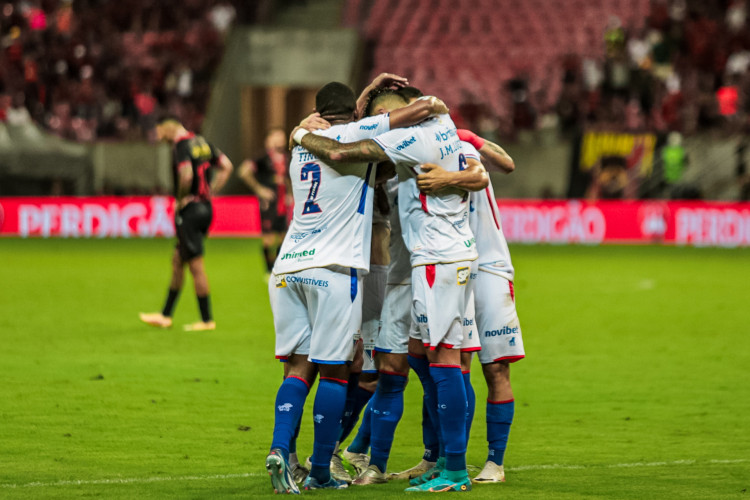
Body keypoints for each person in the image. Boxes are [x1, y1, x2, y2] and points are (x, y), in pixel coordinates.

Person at [292, 95, 487, 493]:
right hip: (429, 261)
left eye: (388, 115)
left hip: (435, 258)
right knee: (406, 366)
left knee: (444, 361)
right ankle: (400, 460)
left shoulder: (407, 141)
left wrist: (298, 133)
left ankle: (452, 467)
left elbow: (344, 150)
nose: (384, 121)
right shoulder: (440, 125)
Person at [265, 82, 450, 494]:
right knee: (335, 371)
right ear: (355, 115)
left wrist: (298, 130)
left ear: (318, 112)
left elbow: (335, 138)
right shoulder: (354, 137)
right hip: (333, 268)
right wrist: (430, 106)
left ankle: (282, 451)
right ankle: (321, 471)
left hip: (288, 266)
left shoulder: (301, 148)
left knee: (297, 368)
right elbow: (401, 119)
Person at [139, 116, 233, 331]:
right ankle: (165, 315)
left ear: (167, 127)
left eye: (160, 131)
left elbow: (186, 175)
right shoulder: (200, 141)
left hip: (190, 212)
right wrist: (210, 193)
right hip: (206, 208)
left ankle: (207, 320)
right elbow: (226, 166)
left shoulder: (181, 145)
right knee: (177, 260)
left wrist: (181, 200)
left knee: (196, 265)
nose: (159, 136)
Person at [238, 128, 291, 276]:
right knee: (268, 238)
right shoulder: (262, 158)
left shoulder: (286, 158)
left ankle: (278, 268)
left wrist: (290, 194)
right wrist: (259, 189)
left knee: (283, 236)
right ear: (270, 139)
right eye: (277, 136)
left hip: (282, 203)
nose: (281, 139)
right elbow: (243, 171)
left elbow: (286, 179)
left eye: (282, 136)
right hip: (268, 204)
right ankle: (268, 271)